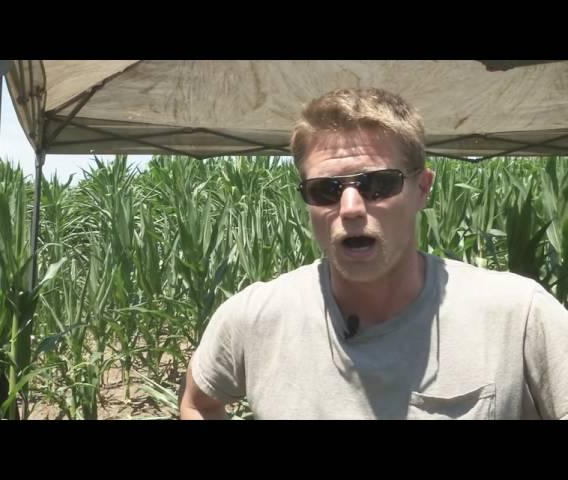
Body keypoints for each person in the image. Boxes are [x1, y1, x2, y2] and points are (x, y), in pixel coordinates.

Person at [179, 87, 568, 420]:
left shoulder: (518, 315)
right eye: (325, 190)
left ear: (423, 189)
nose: (349, 208)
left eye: (378, 184)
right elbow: (198, 402)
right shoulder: (254, 317)